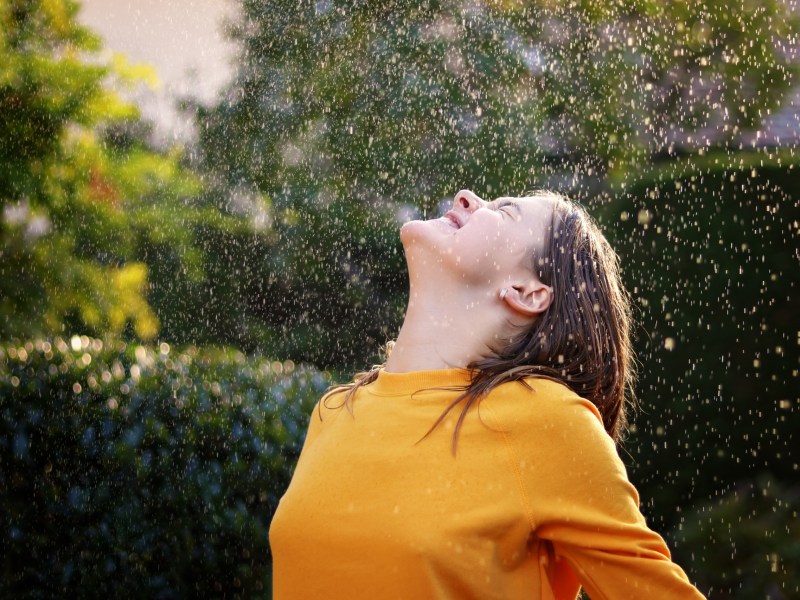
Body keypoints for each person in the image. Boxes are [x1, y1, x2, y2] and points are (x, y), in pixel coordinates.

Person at [269, 189, 706, 599]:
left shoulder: (546, 421)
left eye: (504, 211)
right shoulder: (335, 410)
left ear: (526, 292)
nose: (464, 198)